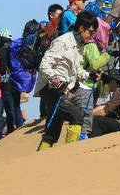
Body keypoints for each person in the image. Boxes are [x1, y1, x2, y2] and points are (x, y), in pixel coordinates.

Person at [35, 11, 99, 150]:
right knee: (77, 115)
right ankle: (70, 152)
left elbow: (75, 70)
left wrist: (89, 76)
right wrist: (56, 81)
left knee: (53, 129)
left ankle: (40, 157)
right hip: (51, 88)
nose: (92, 35)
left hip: (62, 89)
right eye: (91, 32)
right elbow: (44, 65)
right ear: (81, 28)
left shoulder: (79, 45)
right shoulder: (62, 41)